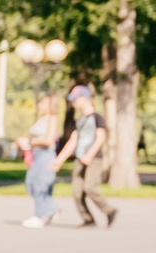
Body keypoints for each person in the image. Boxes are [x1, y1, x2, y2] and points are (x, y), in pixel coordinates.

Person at [62, 103, 118, 228]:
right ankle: (88, 219)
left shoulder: (97, 117)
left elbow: (100, 137)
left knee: (90, 187)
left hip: (93, 158)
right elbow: (73, 140)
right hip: (79, 158)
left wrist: (90, 154)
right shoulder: (80, 120)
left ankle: (109, 210)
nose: (74, 102)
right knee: (77, 191)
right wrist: (59, 160)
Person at [22, 97, 61, 228]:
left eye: (44, 103)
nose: (40, 105)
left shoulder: (52, 118)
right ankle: (52, 209)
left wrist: (32, 142)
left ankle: (40, 215)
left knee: (40, 185)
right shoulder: (41, 119)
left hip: (45, 155)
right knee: (31, 183)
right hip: (35, 155)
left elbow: (49, 140)